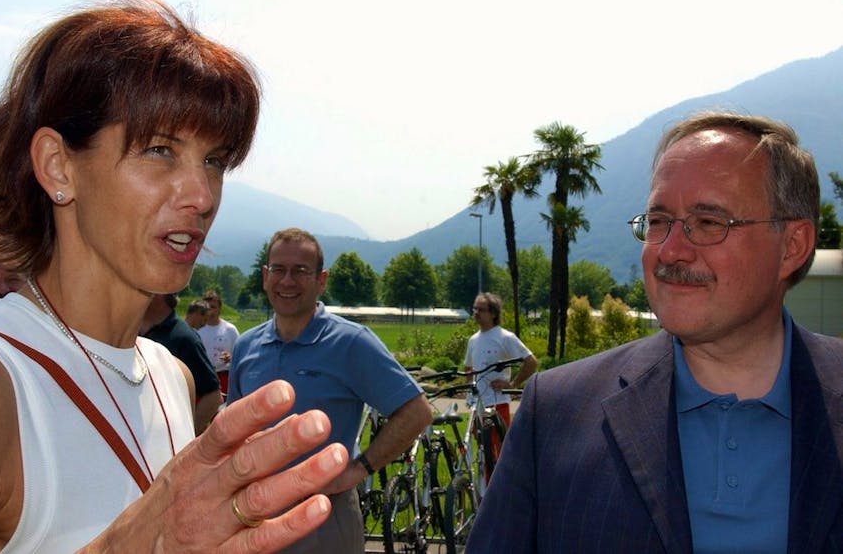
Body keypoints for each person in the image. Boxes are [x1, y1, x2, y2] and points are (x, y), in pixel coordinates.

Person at [0, 0, 348, 552]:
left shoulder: (170, 377)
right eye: (160, 150)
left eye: (215, 161)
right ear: (59, 166)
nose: (203, 196)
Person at [466, 111, 843, 553]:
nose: (670, 251)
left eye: (708, 222)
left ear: (792, 246)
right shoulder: (556, 413)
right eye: (659, 221)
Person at [228, 227, 433, 553]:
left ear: (321, 280)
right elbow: (234, 430)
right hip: (253, 513)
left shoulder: (351, 342)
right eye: (278, 270)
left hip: (323, 515)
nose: (287, 281)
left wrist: (359, 469)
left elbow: (417, 412)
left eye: (301, 271)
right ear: (265, 277)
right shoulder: (246, 345)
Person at [462, 292, 537, 482]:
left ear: (493, 313)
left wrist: (512, 384)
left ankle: (500, 493)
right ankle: (485, 493)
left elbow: (530, 362)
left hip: (498, 405)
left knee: (499, 453)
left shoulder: (505, 337)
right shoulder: (473, 340)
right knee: (482, 453)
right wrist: (469, 392)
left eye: (481, 310)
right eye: (475, 309)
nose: (476, 313)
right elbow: (468, 368)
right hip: (477, 407)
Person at [141, 293, 222, 434]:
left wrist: (185, 439)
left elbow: (213, 397)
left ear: (159, 293)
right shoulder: (130, 330)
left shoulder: (184, 338)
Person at [198, 288, 239, 394]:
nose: (210, 310)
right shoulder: (197, 330)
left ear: (219, 308)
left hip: (224, 376)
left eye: (213, 307)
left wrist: (230, 357)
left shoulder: (230, 330)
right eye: (207, 307)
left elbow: (240, 355)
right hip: (202, 376)